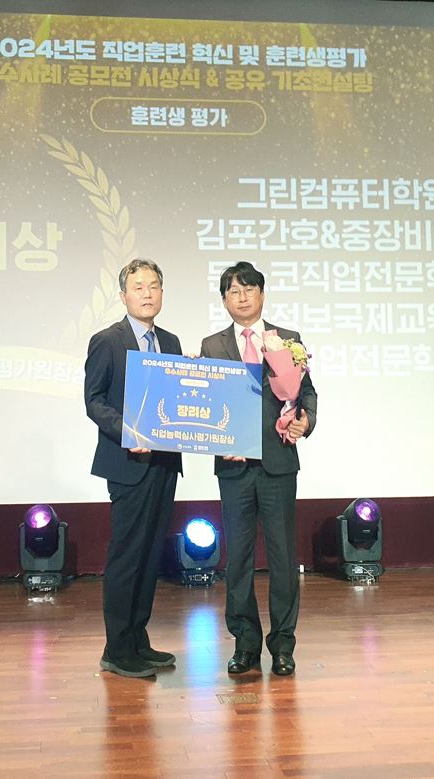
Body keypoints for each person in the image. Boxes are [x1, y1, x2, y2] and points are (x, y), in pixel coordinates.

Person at [200, 261, 317, 677]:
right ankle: (245, 644)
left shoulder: (288, 339)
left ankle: (283, 645)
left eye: (249, 289)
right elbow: (206, 405)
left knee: (283, 559)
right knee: (238, 560)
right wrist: (219, 441)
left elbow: (307, 392)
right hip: (234, 469)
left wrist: (306, 420)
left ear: (262, 294)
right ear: (224, 300)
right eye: (233, 291)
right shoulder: (211, 345)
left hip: (278, 464)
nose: (242, 297)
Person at [84, 258, 183, 678]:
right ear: (123, 295)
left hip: (164, 463)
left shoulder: (171, 342)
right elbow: (94, 401)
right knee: (127, 556)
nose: (147, 293)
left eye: (154, 285)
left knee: (150, 554)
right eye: (138, 286)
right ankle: (116, 648)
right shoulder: (107, 340)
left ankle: (137, 639)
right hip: (127, 464)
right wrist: (128, 431)